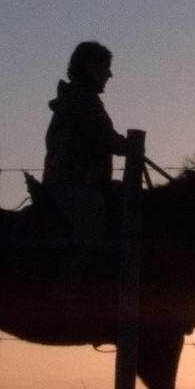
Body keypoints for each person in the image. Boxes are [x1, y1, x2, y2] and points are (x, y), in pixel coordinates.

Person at [39, 41, 128, 287]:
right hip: (72, 183)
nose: (109, 73)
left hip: (83, 181)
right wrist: (130, 146)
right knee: (92, 222)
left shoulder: (78, 96)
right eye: (105, 66)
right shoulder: (81, 97)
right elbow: (102, 136)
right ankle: (68, 287)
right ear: (89, 66)